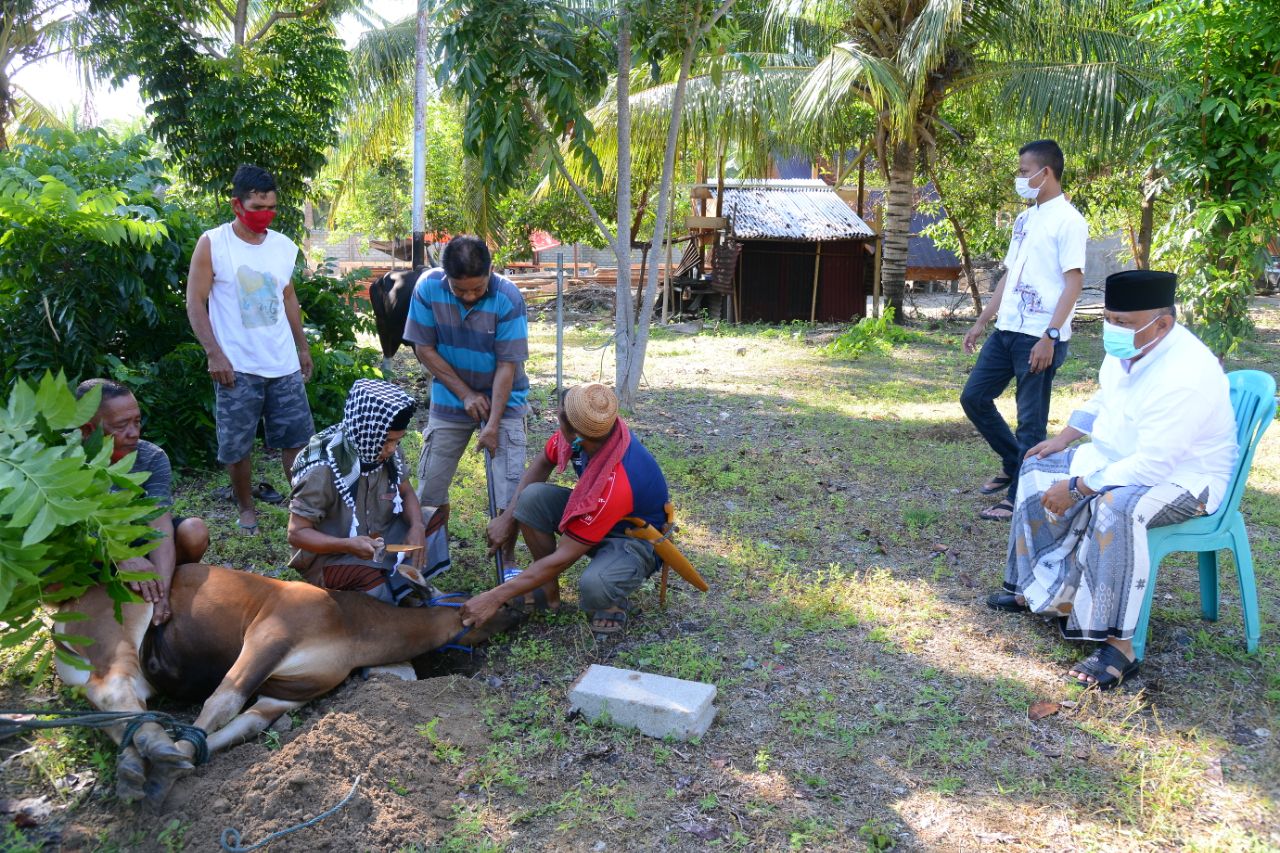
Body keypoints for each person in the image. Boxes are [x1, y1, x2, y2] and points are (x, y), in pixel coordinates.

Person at [987, 270, 1238, 689]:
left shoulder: (1185, 374)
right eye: (1108, 318)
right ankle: (1037, 591)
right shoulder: (1132, 346)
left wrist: (1079, 487)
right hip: (1118, 457)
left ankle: (1119, 646)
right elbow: (1105, 396)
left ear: (1162, 323)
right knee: (1035, 467)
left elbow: (1154, 466)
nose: (1112, 329)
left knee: (1115, 507)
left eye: (1123, 322)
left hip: (1184, 481)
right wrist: (1064, 438)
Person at [460, 383, 670, 635]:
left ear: (575, 434)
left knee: (596, 585)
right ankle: (549, 590)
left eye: (559, 413)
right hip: (600, 519)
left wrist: (494, 597)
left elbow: (565, 556)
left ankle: (612, 601)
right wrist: (508, 517)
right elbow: (540, 465)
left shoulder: (619, 480)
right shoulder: (589, 432)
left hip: (634, 540)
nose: (555, 415)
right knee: (531, 498)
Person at [961, 139, 1088, 521]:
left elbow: (1074, 283)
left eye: (1022, 171)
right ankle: (1013, 460)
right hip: (1007, 329)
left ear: (1044, 172)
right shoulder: (1024, 219)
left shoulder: (1070, 221)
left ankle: (1018, 498)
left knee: (1030, 421)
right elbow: (1010, 276)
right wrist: (983, 321)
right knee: (974, 397)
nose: (1019, 178)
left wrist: (1050, 336)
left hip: (1039, 335)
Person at [186, 163, 315, 536]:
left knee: (296, 441)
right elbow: (195, 302)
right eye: (257, 207)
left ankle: (301, 508)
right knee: (237, 446)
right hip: (237, 366)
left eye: (271, 207)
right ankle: (246, 508)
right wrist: (214, 352)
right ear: (236, 206)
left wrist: (302, 347)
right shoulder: (214, 243)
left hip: (283, 364)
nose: (265, 215)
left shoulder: (282, 247)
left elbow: (288, 296)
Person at [402, 235, 529, 574]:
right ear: (446, 278)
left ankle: (508, 561)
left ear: (491, 271)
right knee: (430, 486)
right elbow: (423, 348)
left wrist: (491, 426)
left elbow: (507, 365)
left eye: (477, 289)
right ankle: (431, 557)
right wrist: (465, 394)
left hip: (506, 399)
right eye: (461, 291)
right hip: (450, 397)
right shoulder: (428, 289)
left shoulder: (508, 297)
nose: (470, 296)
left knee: (509, 488)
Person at [287, 379, 449, 604]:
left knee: (432, 519)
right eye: (387, 441)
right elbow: (296, 533)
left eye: (397, 441)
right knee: (369, 580)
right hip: (334, 556)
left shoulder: (386, 451)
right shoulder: (323, 468)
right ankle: (393, 597)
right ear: (367, 430)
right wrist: (346, 545)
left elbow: (406, 492)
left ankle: (404, 588)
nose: (392, 449)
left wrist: (417, 526)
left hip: (379, 541)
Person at [75, 379, 210, 625]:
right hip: (90, 551)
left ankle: (153, 586)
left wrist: (163, 594)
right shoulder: (61, 458)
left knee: (194, 531)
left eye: (137, 421)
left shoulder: (151, 457)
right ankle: (79, 603)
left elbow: (159, 525)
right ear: (87, 430)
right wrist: (119, 556)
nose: (134, 433)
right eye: (121, 426)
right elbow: (63, 533)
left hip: (137, 541)